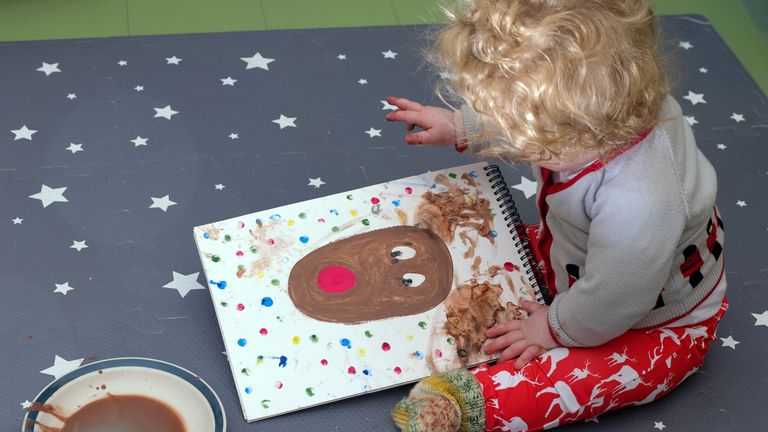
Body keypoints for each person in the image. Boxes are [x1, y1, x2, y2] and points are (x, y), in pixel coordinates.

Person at [384, 1, 727, 431]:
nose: (507, 133)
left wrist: (552, 329)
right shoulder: (598, 100)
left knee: (576, 380)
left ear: (574, 121)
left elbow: (612, 302)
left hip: (655, 323)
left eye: (515, 127)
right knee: (480, 247)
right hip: (586, 261)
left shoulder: (638, 202)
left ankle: (478, 403)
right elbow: (529, 104)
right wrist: (463, 126)